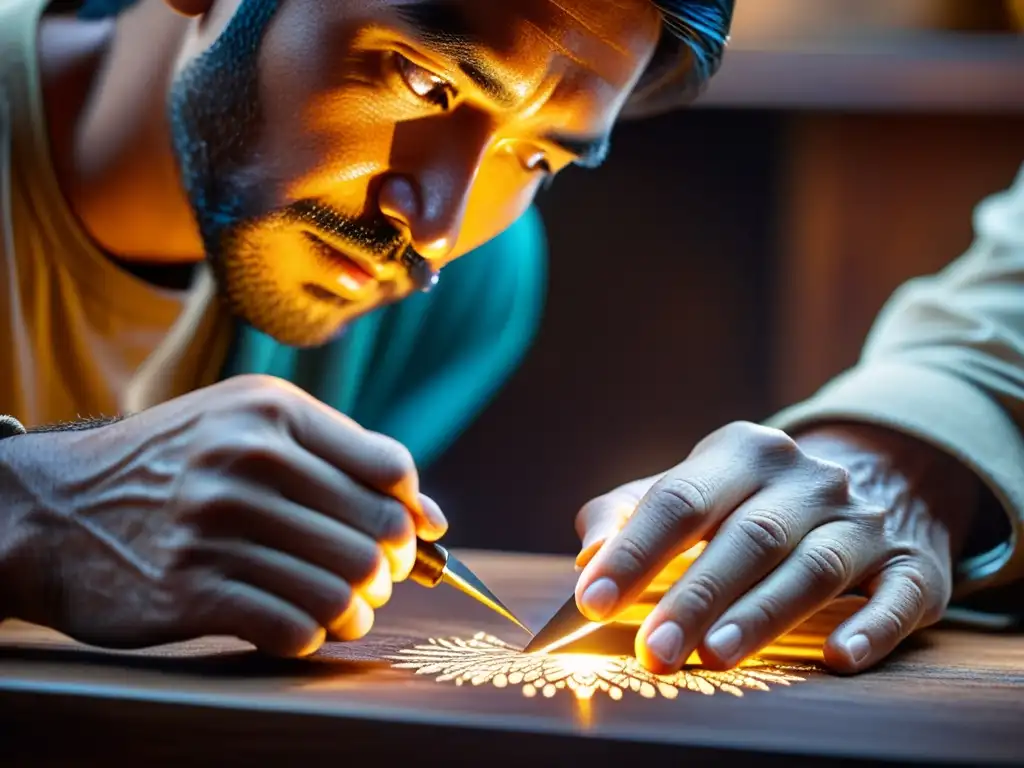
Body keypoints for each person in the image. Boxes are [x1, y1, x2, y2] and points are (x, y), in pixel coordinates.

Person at [0, 0, 1018, 678]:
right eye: (423, 82)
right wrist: (30, 511)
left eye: (535, 154)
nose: (435, 223)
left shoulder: (469, 288)